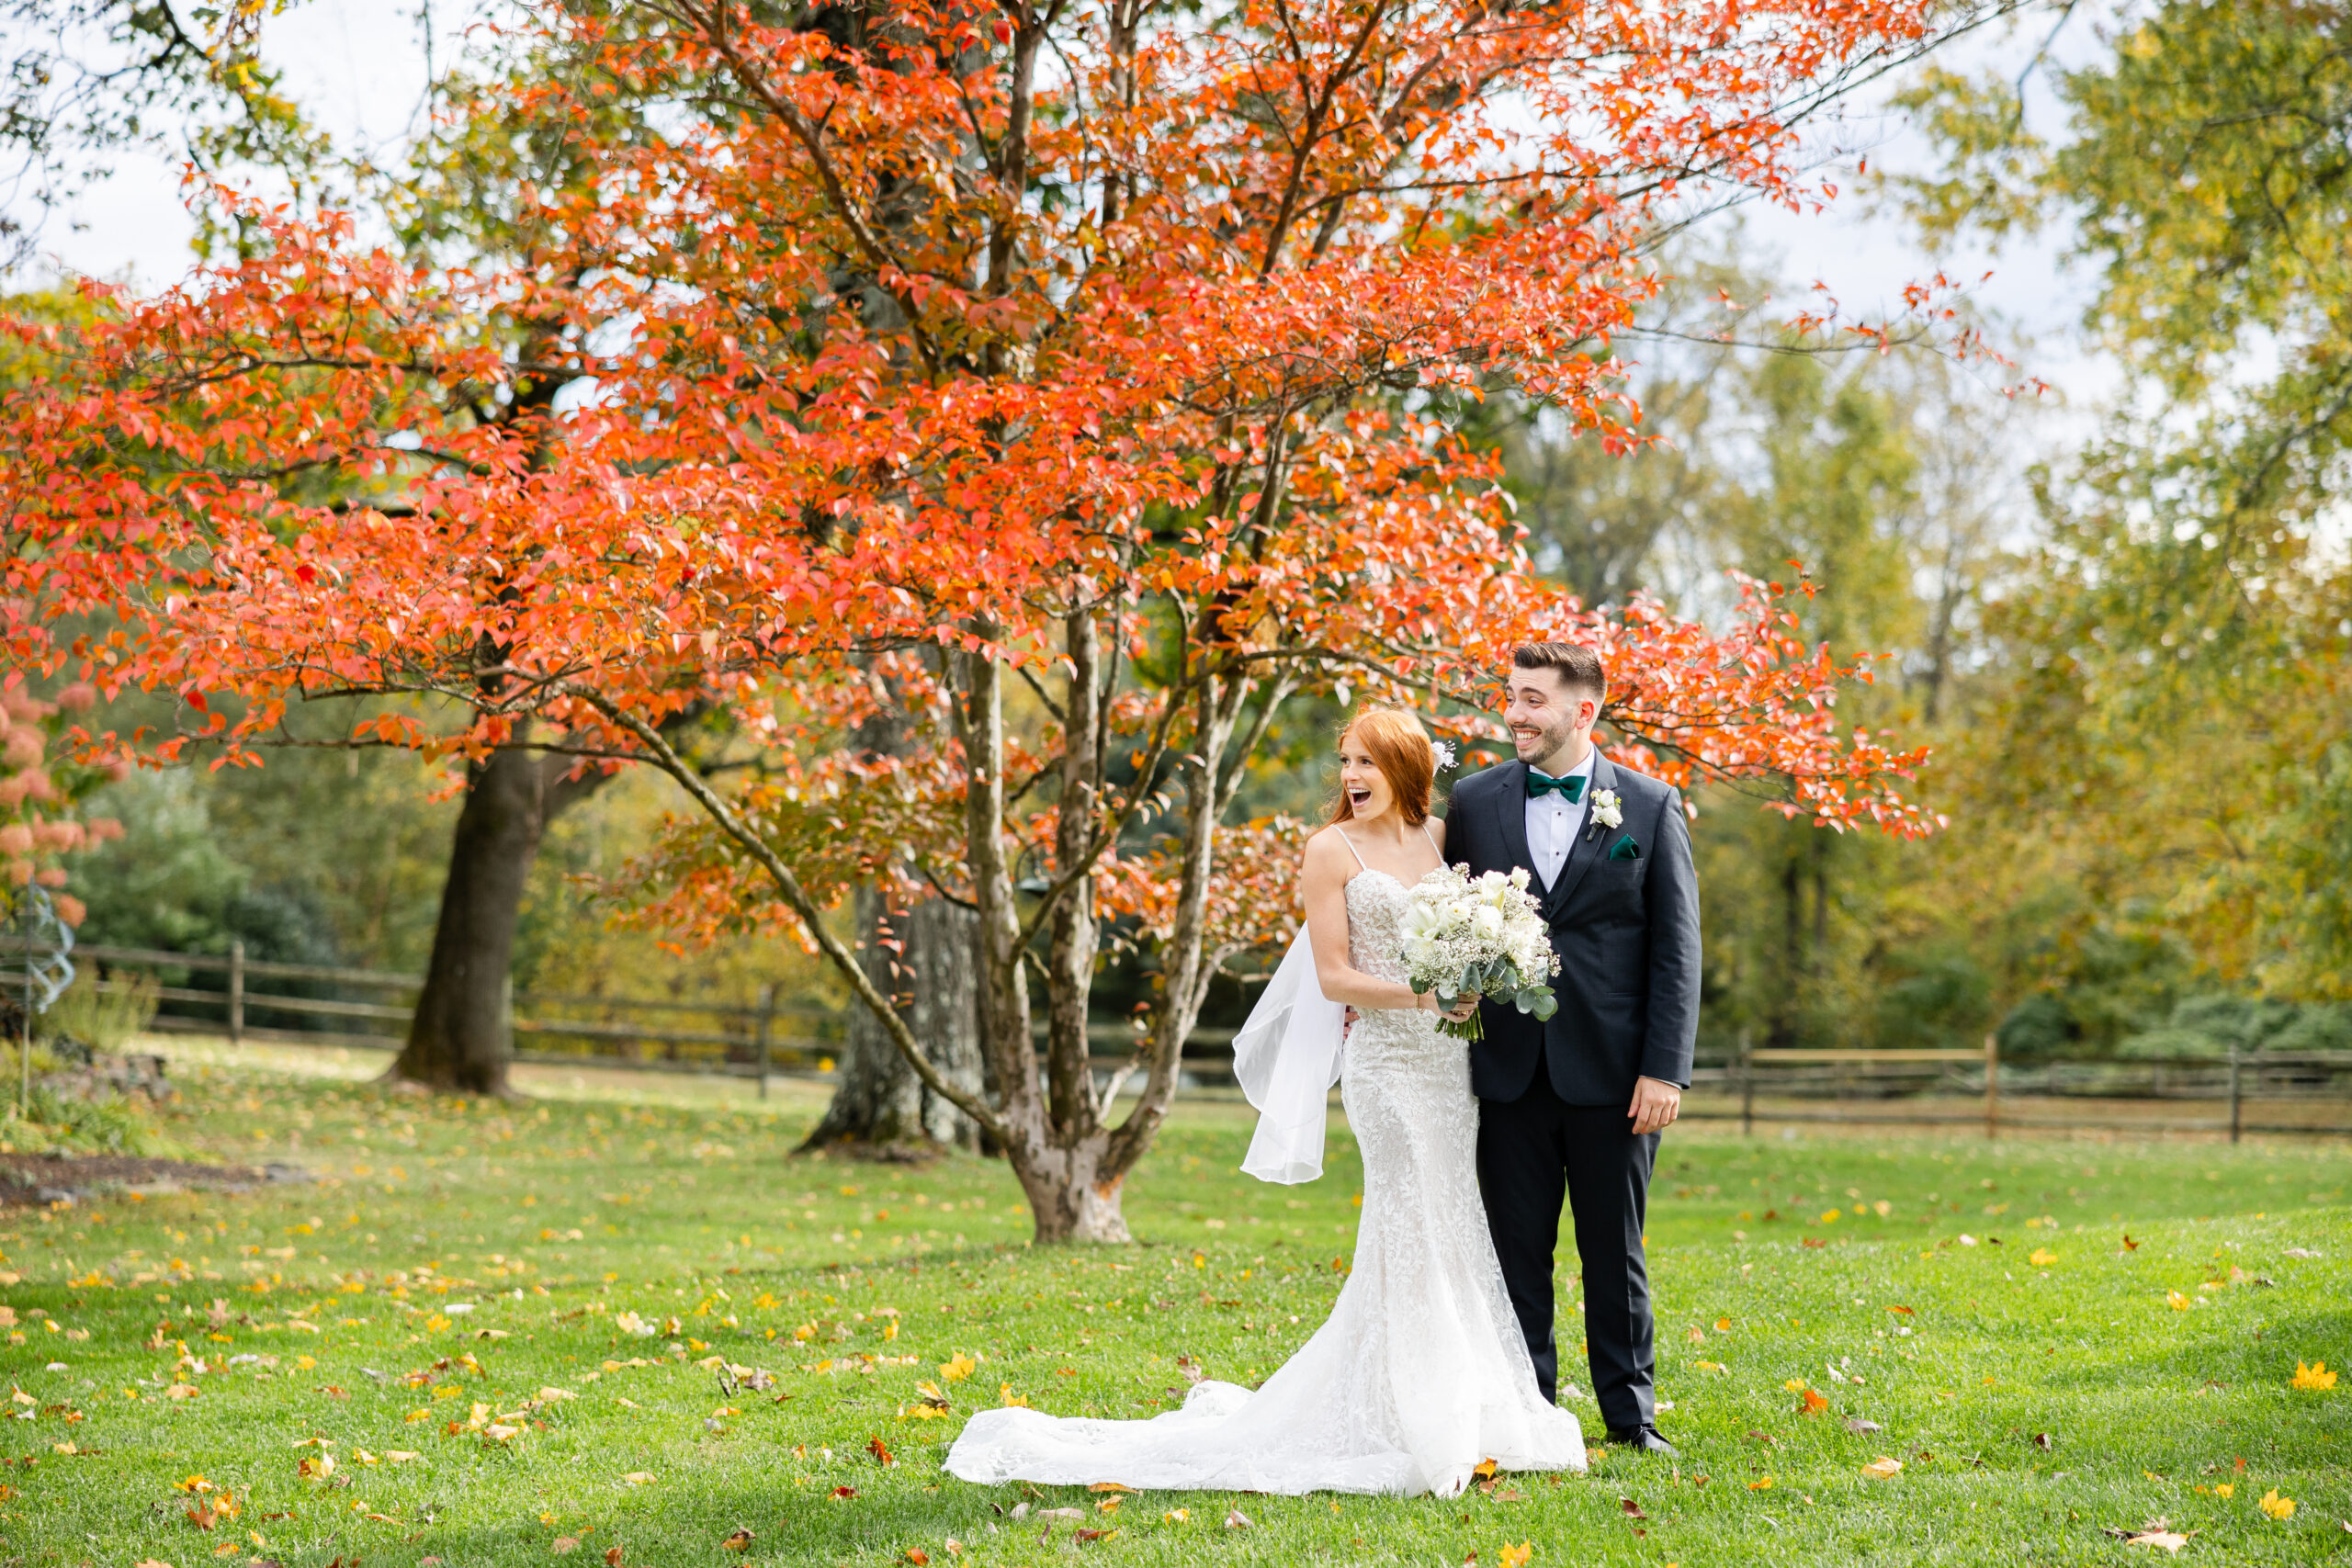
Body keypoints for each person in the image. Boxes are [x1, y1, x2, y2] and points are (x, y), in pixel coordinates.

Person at [944, 708, 1586, 1496]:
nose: (1352, 776)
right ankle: (1424, 1417)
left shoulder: (1440, 837)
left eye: (1370, 763)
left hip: (1449, 1072)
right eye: (1346, 760)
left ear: (1409, 769)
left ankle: (1462, 1399)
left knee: (1451, 1219)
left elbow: (1467, 925)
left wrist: (1482, 963)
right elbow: (1335, 978)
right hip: (1385, 1063)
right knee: (1409, 1215)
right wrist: (1426, 998)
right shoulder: (1329, 850)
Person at [1442, 642, 1700, 1456]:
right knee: (1515, 1254)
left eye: (1531, 699)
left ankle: (1631, 1418)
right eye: (1510, 698)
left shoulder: (1652, 806)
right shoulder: (1475, 800)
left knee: (1612, 1251)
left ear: (1582, 710)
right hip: (1508, 1069)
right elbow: (1447, 917)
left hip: (1618, 1075)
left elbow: (1677, 949)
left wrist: (1665, 1066)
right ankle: (1529, 1415)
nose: (1513, 713)